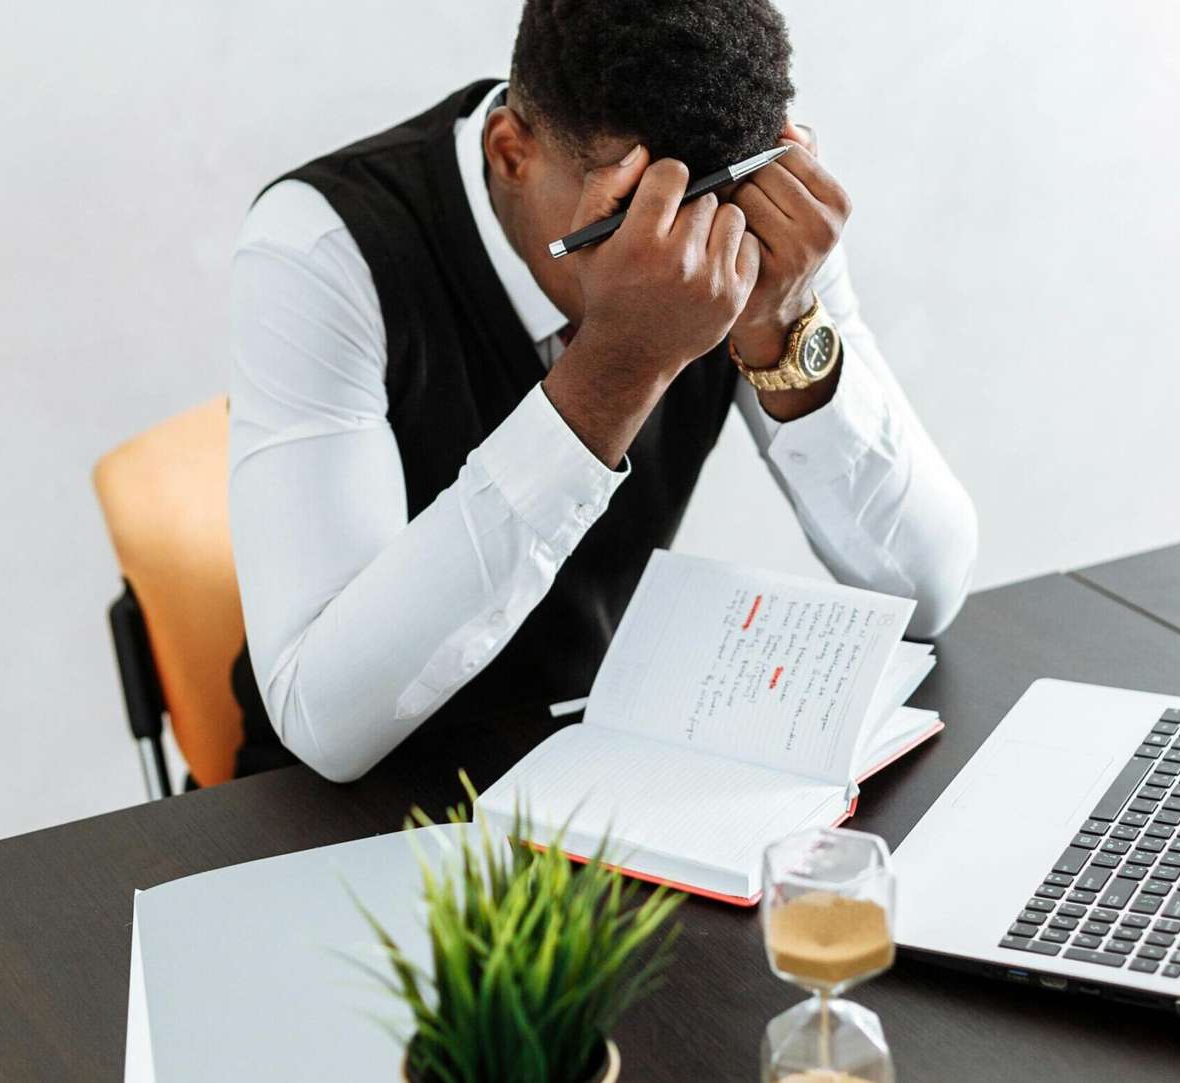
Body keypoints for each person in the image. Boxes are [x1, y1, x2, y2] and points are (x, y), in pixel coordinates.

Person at [228, 0, 978, 783]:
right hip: (343, 806)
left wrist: (784, 324)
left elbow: (926, 590)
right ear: (510, 152)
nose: (686, 261)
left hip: (592, 758)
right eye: (629, 217)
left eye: (719, 208)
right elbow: (323, 720)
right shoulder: (318, 248)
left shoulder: (749, 210)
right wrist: (617, 367)